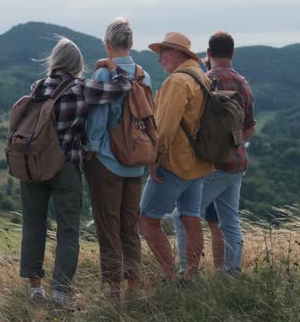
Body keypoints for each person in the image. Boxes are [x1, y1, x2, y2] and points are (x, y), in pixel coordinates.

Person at [19, 37, 131, 307]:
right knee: (68, 230)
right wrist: (113, 65)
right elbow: (123, 86)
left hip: (32, 166)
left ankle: (36, 290)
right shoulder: (81, 88)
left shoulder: (37, 87)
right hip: (66, 166)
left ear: (55, 61)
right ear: (77, 64)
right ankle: (59, 292)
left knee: (33, 226)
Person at [174, 31, 256, 277]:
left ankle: (186, 272)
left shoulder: (204, 81)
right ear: (232, 54)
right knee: (229, 220)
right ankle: (231, 273)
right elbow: (250, 125)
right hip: (237, 163)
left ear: (208, 54)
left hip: (211, 164)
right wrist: (234, 146)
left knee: (183, 216)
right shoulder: (242, 82)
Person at [84, 17, 153, 300]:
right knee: (129, 226)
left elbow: (98, 121)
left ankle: (113, 288)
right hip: (136, 163)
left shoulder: (103, 76)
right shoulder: (144, 76)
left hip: (108, 161)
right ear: (132, 44)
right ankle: (133, 285)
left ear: (108, 44)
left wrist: (91, 150)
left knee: (107, 223)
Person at [138, 32, 214, 281]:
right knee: (190, 217)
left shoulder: (177, 82)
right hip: (198, 163)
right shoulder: (201, 77)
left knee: (146, 221)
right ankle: (190, 275)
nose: (159, 58)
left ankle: (171, 277)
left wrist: (155, 158)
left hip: (174, 163)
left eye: (163, 52)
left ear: (178, 54)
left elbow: (166, 126)